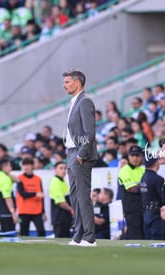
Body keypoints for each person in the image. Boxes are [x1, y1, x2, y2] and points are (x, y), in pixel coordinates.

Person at [63, 69, 98, 247]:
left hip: (79, 154)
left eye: (68, 82)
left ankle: (89, 237)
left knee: (83, 197)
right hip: (71, 152)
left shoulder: (84, 102)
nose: (64, 85)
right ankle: (78, 236)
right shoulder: (75, 101)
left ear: (78, 82)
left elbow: (89, 132)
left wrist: (81, 154)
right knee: (75, 197)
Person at [140, 157, 165, 240]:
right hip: (157, 215)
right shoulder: (158, 179)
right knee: (159, 240)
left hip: (146, 214)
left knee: (149, 240)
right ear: (156, 163)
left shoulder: (143, 178)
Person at [118, 145, 145, 240]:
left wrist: (140, 186)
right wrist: (144, 187)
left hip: (143, 207)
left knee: (143, 235)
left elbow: (140, 187)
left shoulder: (143, 170)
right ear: (128, 156)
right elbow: (132, 188)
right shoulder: (124, 170)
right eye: (132, 155)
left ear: (141, 157)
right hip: (132, 208)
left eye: (137, 155)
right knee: (135, 236)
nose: (135, 158)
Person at [16, 158, 46, 237]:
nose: (26, 167)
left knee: (41, 231)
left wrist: (43, 211)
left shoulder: (38, 179)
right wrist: (35, 194)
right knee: (24, 233)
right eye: (25, 165)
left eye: (28, 165)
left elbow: (41, 195)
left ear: (32, 166)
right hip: (24, 210)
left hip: (37, 210)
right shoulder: (19, 178)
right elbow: (22, 193)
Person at [49, 161, 73, 238]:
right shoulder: (56, 182)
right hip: (59, 218)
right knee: (61, 240)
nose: (63, 170)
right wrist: (71, 210)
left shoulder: (62, 181)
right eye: (61, 168)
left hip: (65, 218)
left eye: (65, 168)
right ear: (55, 170)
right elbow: (61, 202)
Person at [0, 159, 18, 232]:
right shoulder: (6, 179)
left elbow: (18, 180)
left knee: (3, 232)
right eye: (9, 166)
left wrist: (8, 174)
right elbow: (7, 198)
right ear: (4, 167)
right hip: (6, 211)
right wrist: (13, 213)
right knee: (9, 233)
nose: (11, 168)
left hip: (0, 210)